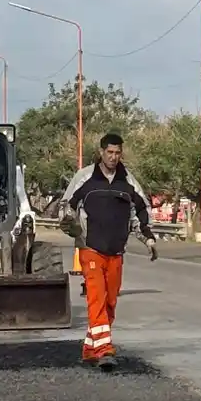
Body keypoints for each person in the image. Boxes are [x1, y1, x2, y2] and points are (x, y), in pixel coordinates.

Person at [59, 131, 156, 372]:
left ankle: (92, 348)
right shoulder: (85, 178)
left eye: (117, 153)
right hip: (90, 248)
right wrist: (70, 224)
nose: (113, 157)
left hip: (116, 251)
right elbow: (66, 206)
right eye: (109, 152)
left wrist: (149, 240)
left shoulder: (129, 182)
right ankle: (105, 350)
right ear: (101, 153)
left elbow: (141, 212)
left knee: (110, 302)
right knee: (96, 298)